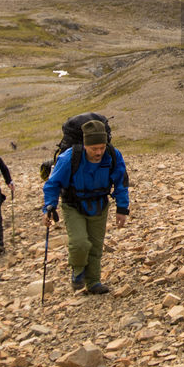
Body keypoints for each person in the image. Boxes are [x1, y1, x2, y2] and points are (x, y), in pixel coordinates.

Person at [42, 118, 129, 294]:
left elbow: (121, 181)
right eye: (94, 148)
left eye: (102, 148)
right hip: (74, 204)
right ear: (85, 145)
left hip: (100, 203)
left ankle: (93, 282)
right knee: (80, 243)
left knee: (96, 246)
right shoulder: (69, 157)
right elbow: (52, 184)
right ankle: (78, 270)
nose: (99, 152)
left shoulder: (112, 155)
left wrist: (122, 208)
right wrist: (49, 207)